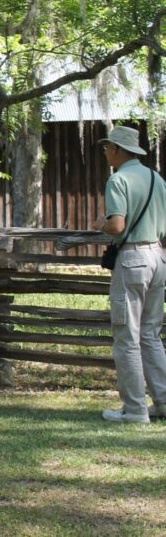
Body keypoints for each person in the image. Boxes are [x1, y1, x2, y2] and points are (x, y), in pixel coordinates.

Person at [93, 125, 166, 424]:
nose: (107, 152)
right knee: (151, 335)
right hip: (158, 257)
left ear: (118, 150)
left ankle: (135, 409)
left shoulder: (118, 180)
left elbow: (117, 226)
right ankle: (162, 402)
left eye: (108, 147)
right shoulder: (156, 179)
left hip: (132, 258)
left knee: (126, 336)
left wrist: (101, 222)